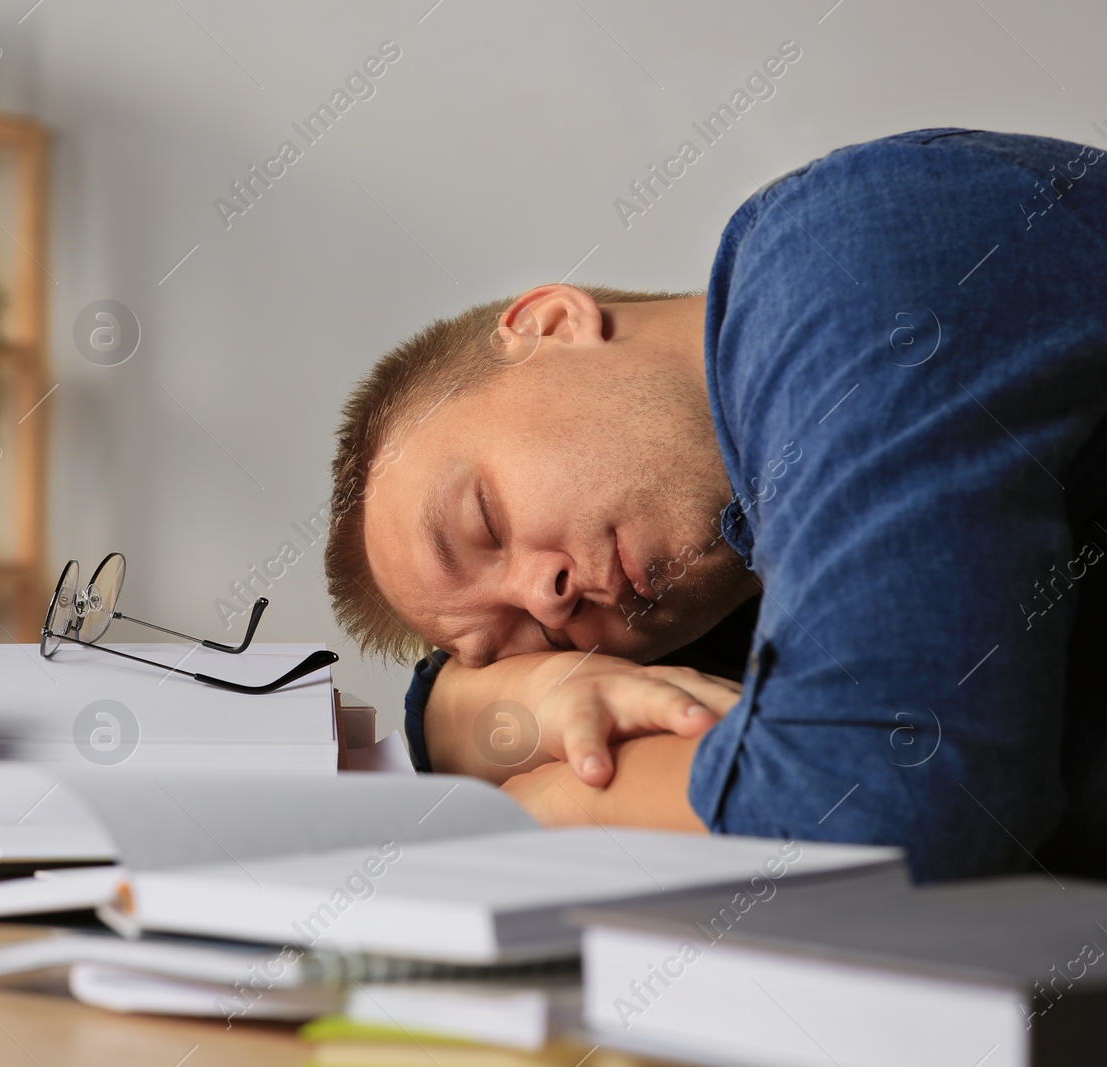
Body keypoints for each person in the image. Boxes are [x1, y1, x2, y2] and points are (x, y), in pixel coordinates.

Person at [324, 128, 1107, 881]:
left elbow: (899, 796)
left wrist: (558, 804)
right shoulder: (744, 574)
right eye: (523, 638)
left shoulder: (836, 260)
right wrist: (510, 698)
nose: (546, 600)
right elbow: (451, 707)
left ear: (550, 324)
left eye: (485, 521)